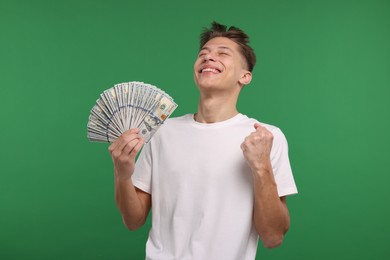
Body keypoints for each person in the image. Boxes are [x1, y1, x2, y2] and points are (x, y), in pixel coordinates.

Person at [108, 21, 298, 259]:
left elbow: (273, 237)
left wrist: (261, 167)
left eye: (222, 54)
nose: (209, 58)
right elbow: (133, 220)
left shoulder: (265, 137)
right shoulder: (162, 132)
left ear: (245, 76)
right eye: (203, 54)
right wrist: (122, 174)